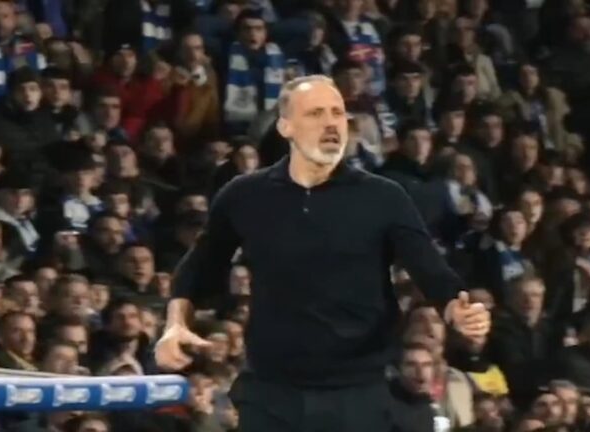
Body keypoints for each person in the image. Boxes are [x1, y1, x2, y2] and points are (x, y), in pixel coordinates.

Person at [155, 75, 490, 431]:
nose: (332, 123)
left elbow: (430, 268)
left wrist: (457, 308)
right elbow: (199, 268)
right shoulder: (245, 196)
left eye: (338, 113)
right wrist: (175, 324)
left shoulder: (383, 197)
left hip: (357, 393)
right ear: (286, 126)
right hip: (271, 391)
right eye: (316, 114)